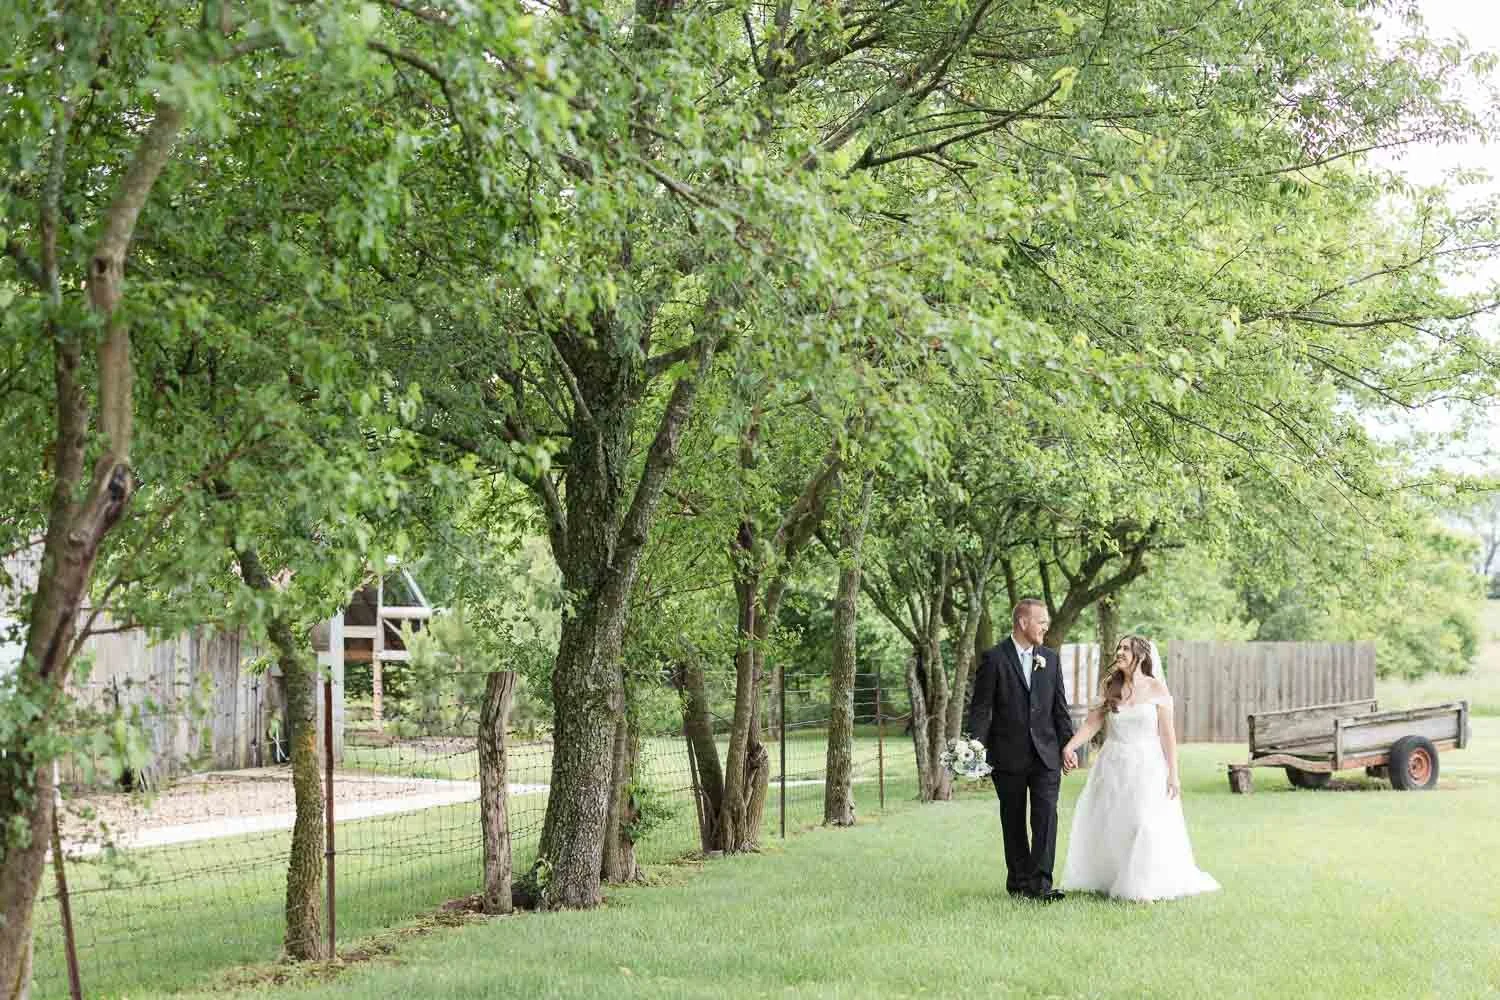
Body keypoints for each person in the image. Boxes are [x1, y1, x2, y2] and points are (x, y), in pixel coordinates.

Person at [1060, 635, 1220, 902]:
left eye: (1126, 649)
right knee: (1115, 823)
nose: (1119, 652)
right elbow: (1092, 724)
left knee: (1143, 822)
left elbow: (1167, 735)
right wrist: (1070, 746)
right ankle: (1115, 876)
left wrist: (1173, 775)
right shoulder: (1111, 686)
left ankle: (1141, 885)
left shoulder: (1157, 689)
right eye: (1119, 648)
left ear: (1141, 656)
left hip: (1147, 765)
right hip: (1113, 763)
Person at [966, 598, 1075, 901]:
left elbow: (1059, 708)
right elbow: (982, 709)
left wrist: (1069, 746)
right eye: (1041, 622)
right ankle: (1018, 883)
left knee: (1046, 818)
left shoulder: (1050, 659)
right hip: (1008, 755)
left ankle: (1040, 886)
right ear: (1023, 622)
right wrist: (976, 745)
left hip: (1046, 755)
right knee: (1012, 819)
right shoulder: (994, 658)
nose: (1046, 627)